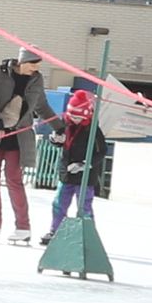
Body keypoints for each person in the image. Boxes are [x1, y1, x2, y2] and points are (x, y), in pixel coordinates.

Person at [0, 51, 46, 243]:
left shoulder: (36, 80)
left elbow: (42, 106)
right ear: (23, 61)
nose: (36, 69)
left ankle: (23, 227)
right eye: (33, 65)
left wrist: (61, 127)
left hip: (18, 137)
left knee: (14, 181)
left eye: (38, 66)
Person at [50, 86, 117, 229]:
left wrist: (85, 164)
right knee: (59, 204)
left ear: (86, 116)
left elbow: (102, 151)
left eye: (78, 118)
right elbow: (60, 142)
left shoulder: (93, 130)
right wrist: (55, 140)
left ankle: (87, 233)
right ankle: (55, 230)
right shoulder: (65, 123)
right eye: (72, 116)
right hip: (66, 174)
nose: (74, 120)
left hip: (85, 177)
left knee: (84, 206)